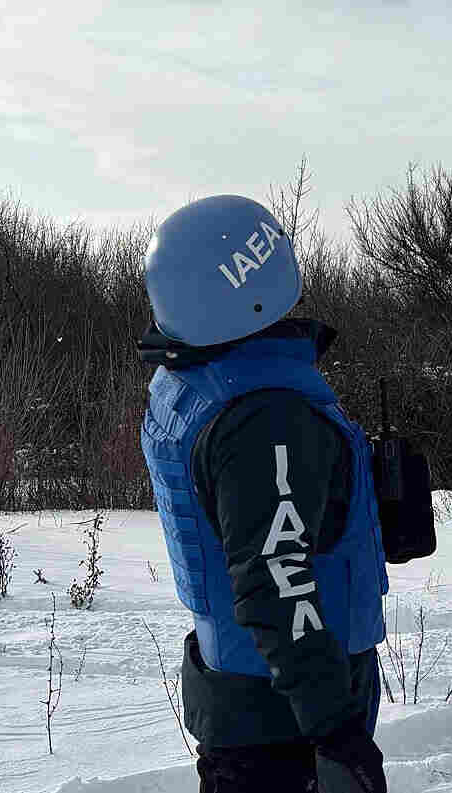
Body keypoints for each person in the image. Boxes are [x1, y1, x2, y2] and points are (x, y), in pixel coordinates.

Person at [138, 195, 389, 792]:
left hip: (246, 682)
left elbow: (253, 525)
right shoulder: (266, 415)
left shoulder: (195, 380)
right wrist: (336, 730)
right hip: (287, 707)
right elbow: (275, 574)